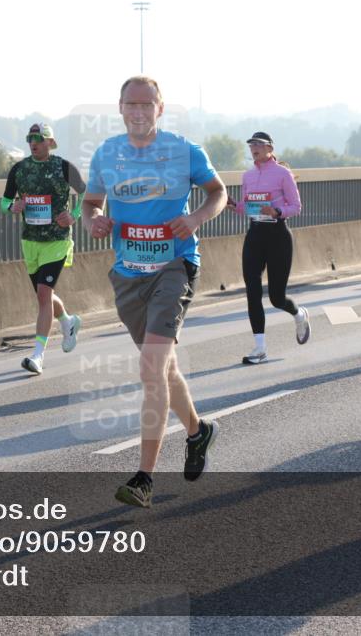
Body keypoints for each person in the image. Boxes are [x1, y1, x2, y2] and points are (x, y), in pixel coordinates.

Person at [83, 76, 227, 508]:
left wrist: (198, 217)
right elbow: (91, 203)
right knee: (163, 369)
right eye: (132, 104)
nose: (140, 111)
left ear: (160, 109)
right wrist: (93, 220)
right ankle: (199, 433)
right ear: (121, 108)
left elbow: (218, 192)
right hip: (128, 274)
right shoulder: (107, 154)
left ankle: (144, 478)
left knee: (151, 368)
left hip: (174, 267)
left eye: (148, 104)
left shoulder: (185, 150)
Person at [1, 123, 85, 375]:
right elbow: (5, 201)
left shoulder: (63, 166)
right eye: (30, 138)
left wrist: (74, 215)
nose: (33, 142)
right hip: (31, 241)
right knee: (43, 295)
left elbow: (85, 191)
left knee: (43, 293)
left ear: (50, 142)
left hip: (57, 240)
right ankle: (68, 322)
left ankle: (38, 355)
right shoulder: (19, 169)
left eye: (38, 138)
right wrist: (11, 207)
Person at [228, 131, 310, 364]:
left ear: (270, 148)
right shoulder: (248, 175)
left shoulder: (283, 174)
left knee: (276, 297)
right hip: (255, 235)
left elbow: (296, 206)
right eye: (251, 145)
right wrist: (234, 206)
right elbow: (248, 206)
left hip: (278, 236)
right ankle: (260, 348)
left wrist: (277, 211)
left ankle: (299, 313)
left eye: (259, 145)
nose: (254, 148)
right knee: (252, 291)